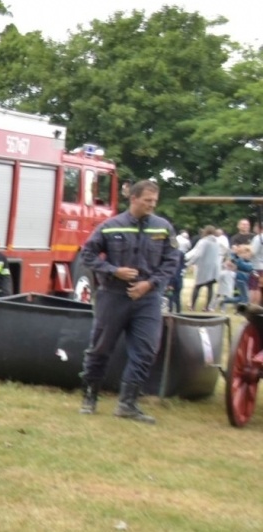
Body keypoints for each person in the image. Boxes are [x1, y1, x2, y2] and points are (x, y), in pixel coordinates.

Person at [77, 180, 182, 423]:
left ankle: (128, 404)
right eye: (147, 200)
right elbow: (87, 254)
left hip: (148, 298)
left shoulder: (163, 228)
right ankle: (90, 398)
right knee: (100, 348)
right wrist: (114, 270)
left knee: (146, 350)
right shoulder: (110, 226)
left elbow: (171, 262)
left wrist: (150, 284)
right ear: (133, 198)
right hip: (113, 296)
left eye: (154, 201)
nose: (152, 205)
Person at [186, 226, 222, 311]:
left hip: (204, 266)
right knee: (210, 287)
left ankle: (192, 306)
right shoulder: (217, 242)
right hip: (214, 267)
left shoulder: (203, 241)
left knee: (197, 286)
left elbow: (198, 254)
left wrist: (189, 263)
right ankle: (207, 307)